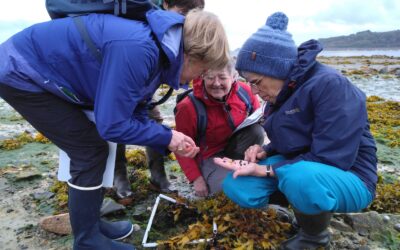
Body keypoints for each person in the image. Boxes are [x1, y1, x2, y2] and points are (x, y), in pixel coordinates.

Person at [0, 8, 229, 250]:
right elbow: (113, 125)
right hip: (21, 70)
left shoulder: (158, 52)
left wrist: (166, 140)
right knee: (89, 150)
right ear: (191, 55)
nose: (199, 78)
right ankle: (87, 240)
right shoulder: (139, 49)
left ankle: (90, 224)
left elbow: (137, 107)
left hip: (43, 70)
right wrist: (167, 136)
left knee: (95, 149)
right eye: (203, 71)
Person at [214, 12, 377, 250]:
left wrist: (266, 169)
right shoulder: (280, 94)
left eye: (256, 81)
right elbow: (293, 143)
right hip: (301, 167)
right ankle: (300, 209)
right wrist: (263, 151)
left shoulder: (331, 85)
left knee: (299, 177)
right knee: (238, 184)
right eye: (248, 82)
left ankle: (314, 235)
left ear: (277, 69)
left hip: (352, 176)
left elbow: (332, 157)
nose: (254, 91)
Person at [115, 0, 206, 200]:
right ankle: (119, 175)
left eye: (191, 15)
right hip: (125, 71)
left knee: (153, 118)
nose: (185, 20)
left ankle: (158, 175)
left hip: (147, 81)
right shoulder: (144, 16)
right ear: (165, 4)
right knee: (116, 120)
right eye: (183, 12)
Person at [175, 59, 264, 197]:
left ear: (234, 77)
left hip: (234, 147)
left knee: (256, 130)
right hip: (208, 156)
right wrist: (196, 179)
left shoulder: (245, 92)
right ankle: (219, 176)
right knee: (229, 189)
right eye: (210, 77)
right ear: (202, 76)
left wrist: (263, 151)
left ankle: (245, 168)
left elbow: (260, 118)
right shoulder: (188, 107)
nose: (216, 83)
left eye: (222, 77)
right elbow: (180, 148)